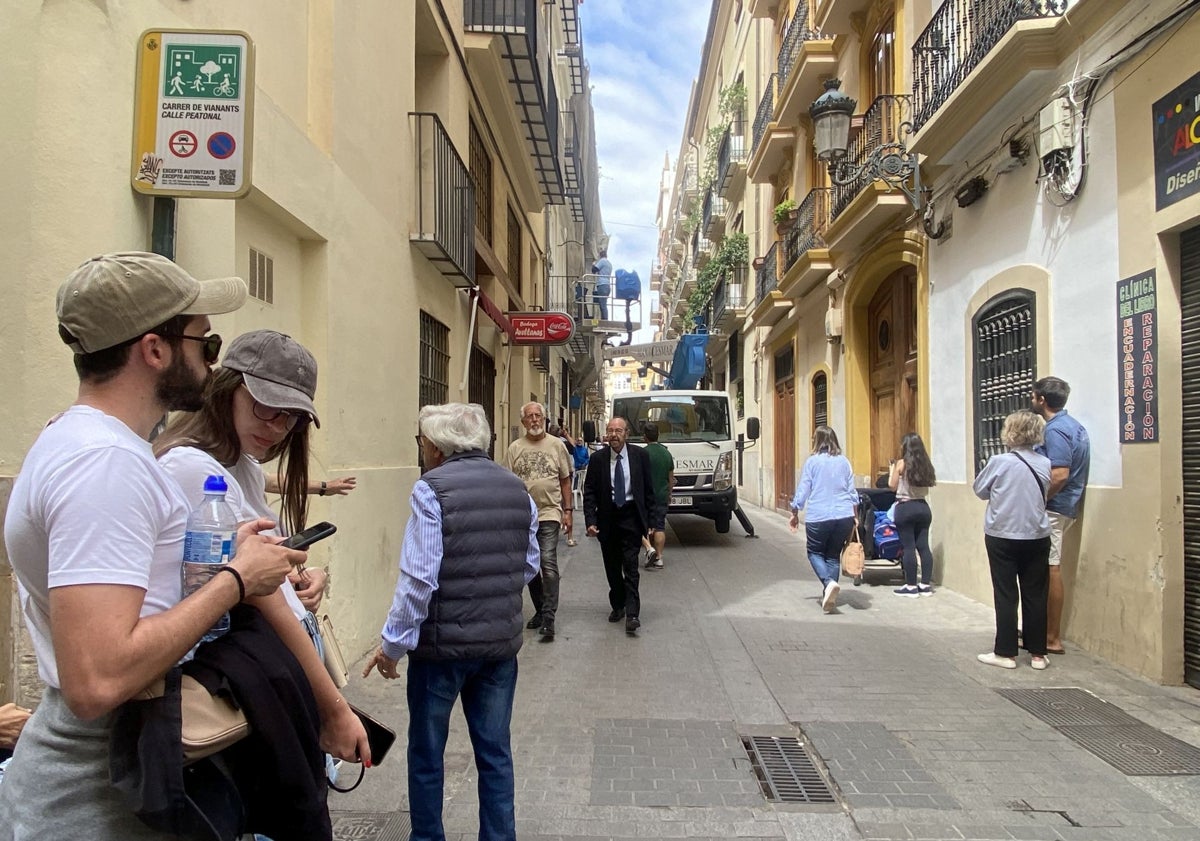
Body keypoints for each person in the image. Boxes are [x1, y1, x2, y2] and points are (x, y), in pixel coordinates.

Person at [0, 252, 363, 838]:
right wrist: (236, 581)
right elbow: (97, 680)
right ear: (155, 349)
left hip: (114, 769)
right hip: (103, 780)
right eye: (204, 342)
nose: (210, 359)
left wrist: (229, 558)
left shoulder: (88, 444)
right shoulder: (107, 466)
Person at [362, 403, 540, 841]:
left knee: (427, 755)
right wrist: (491, 593)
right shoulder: (517, 489)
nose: (422, 450)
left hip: (440, 652)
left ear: (438, 447)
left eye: (422, 442)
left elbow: (419, 578)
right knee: (495, 753)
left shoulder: (431, 489)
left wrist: (392, 645)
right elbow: (529, 564)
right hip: (499, 646)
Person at [973, 410, 1052, 671]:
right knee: (1036, 593)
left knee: (1006, 593)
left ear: (1010, 432)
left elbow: (980, 490)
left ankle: (1005, 652)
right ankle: (1038, 654)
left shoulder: (999, 461)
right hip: (1037, 534)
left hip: (1002, 534)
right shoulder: (1044, 463)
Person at [583, 417, 663, 636]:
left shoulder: (640, 456)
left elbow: (649, 492)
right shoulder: (598, 459)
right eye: (610, 430)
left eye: (618, 430)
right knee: (612, 567)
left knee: (631, 566)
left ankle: (633, 614)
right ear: (606, 434)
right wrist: (590, 521)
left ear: (627, 433)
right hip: (607, 518)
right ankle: (618, 604)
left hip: (631, 517)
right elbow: (589, 491)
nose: (614, 434)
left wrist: (653, 523)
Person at [505, 402, 573, 640]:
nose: (534, 420)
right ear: (523, 422)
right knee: (530, 566)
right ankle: (541, 610)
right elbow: (508, 484)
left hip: (549, 514)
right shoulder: (515, 448)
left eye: (538, 416)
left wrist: (568, 510)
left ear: (544, 420)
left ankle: (549, 618)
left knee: (547, 561)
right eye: (530, 417)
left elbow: (565, 479)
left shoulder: (557, 446)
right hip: (523, 516)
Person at [1031, 376, 1090, 655]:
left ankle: (1051, 637)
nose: (1032, 400)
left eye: (1034, 396)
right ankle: (1042, 630)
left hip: (1055, 507)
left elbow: (1060, 473)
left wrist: (1038, 500)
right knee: (1048, 566)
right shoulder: (1075, 427)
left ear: (1042, 399)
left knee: (1051, 567)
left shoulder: (1055, 430)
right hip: (1066, 506)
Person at [788, 426, 858, 614]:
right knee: (833, 555)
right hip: (844, 516)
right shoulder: (844, 462)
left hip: (819, 516)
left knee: (814, 552)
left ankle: (828, 584)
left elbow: (804, 489)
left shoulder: (812, 462)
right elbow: (852, 492)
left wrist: (795, 510)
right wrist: (855, 516)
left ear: (817, 441)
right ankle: (829, 595)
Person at [888, 433, 937, 597]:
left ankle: (910, 586)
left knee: (909, 547)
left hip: (906, 507)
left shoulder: (902, 464)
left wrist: (892, 470)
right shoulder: (926, 465)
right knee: (923, 546)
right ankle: (925, 584)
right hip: (923, 507)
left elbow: (892, 486)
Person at [640, 422, 675, 570]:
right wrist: (669, 493)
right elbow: (671, 477)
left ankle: (649, 550)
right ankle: (659, 558)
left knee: (641, 525)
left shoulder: (642, 453)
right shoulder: (666, 453)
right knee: (660, 526)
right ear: (658, 435)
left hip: (644, 497)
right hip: (661, 495)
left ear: (644, 437)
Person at [591, 248, 612, 320]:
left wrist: (593, 264)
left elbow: (594, 270)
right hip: (607, 285)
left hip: (602, 284)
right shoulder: (609, 263)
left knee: (602, 304)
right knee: (603, 303)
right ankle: (604, 319)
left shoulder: (602, 261)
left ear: (600, 255)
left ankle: (605, 320)